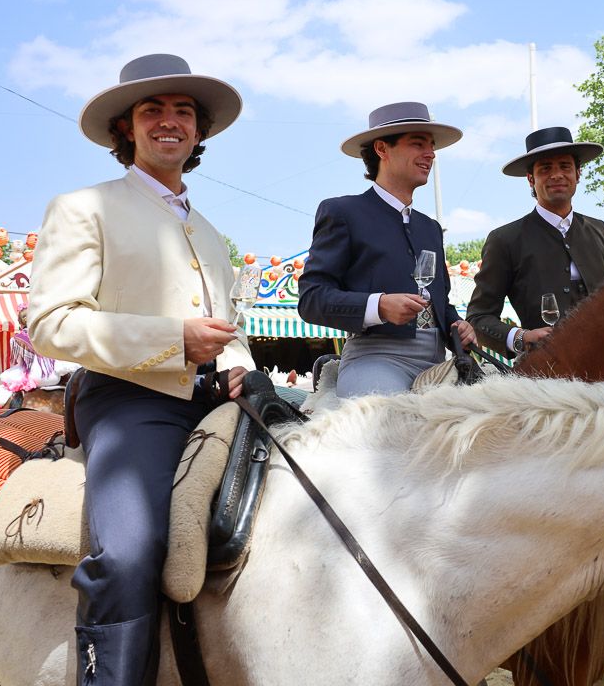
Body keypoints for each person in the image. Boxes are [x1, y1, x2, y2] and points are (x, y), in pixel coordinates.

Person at [27, 53, 255, 685]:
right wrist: (172, 340)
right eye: (151, 109)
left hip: (215, 402)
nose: (169, 121)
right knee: (128, 554)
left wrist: (240, 366)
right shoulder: (83, 207)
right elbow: (50, 323)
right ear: (125, 128)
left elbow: (225, 327)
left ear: (199, 132)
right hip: (129, 402)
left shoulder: (209, 232)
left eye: (183, 111)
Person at [297, 102, 476, 398]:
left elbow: (439, 303)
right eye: (418, 144)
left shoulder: (430, 228)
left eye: (431, 146)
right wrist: (378, 306)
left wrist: (458, 324)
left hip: (439, 362)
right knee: (389, 423)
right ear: (382, 149)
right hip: (375, 359)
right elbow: (311, 299)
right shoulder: (343, 211)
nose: (430, 154)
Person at [467, 127, 604, 356]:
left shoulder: (599, 230)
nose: (556, 175)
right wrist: (521, 337)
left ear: (578, 173)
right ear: (531, 179)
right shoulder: (505, 240)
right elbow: (478, 318)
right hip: (545, 374)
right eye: (545, 168)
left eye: (565, 166)